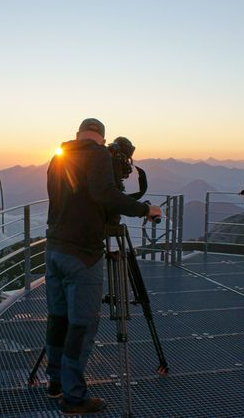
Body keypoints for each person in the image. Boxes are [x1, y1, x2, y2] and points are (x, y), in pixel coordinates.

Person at [45, 118, 162, 415]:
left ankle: (55, 382)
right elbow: (105, 196)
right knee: (81, 326)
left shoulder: (59, 156)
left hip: (54, 249)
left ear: (78, 134)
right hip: (82, 253)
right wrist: (144, 209)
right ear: (101, 137)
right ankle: (73, 397)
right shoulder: (97, 154)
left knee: (59, 319)